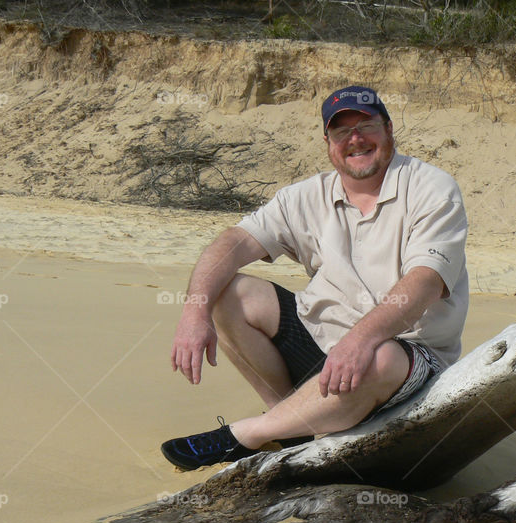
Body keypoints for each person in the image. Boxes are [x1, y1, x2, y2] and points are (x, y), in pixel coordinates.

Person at [161, 85, 469, 471]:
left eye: (366, 125)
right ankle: (288, 427)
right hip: (325, 344)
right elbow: (234, 242)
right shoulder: (306, 196)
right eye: (342, 132)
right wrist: (194, 313)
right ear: (328, 142)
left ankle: (250, 434)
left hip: (406, 357)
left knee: (382, 355)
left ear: (389, 129)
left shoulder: (431, 187)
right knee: (230, 294)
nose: (355, 139)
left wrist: (360, 339)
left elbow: (425, 281)